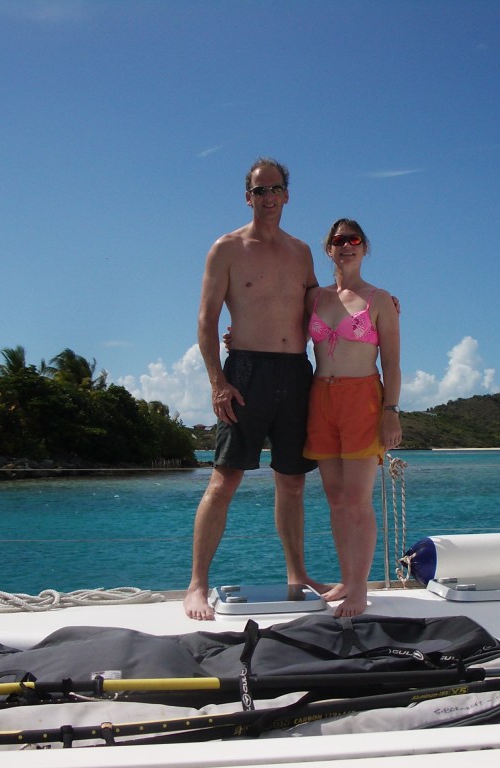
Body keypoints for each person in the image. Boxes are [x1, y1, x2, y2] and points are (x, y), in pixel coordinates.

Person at [184, 158, 324, 620]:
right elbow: (206, 320)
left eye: (275, 189)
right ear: (248, 197)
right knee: (224, 480)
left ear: (287, 195)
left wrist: (376, 300)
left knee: (293, 484)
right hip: (245, 373)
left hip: (296, 373)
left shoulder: (302, 252)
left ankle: (297, 575)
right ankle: (197, 585)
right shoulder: (226, 248)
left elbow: (320, 310)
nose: (268, 198)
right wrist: (217, 381)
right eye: (259, 190)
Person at [303, 218, 402, 617]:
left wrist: (391, 412)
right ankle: (347, 578)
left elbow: (393, 365)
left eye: (354, 239)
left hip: (362, 397)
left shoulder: (380, 300)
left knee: (358, 501)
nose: (346, 245)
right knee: (336, 500)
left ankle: (360, 588)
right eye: (338, 240)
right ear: (328, 248)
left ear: (365, 248)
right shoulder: (315, 297)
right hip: (320, 398)